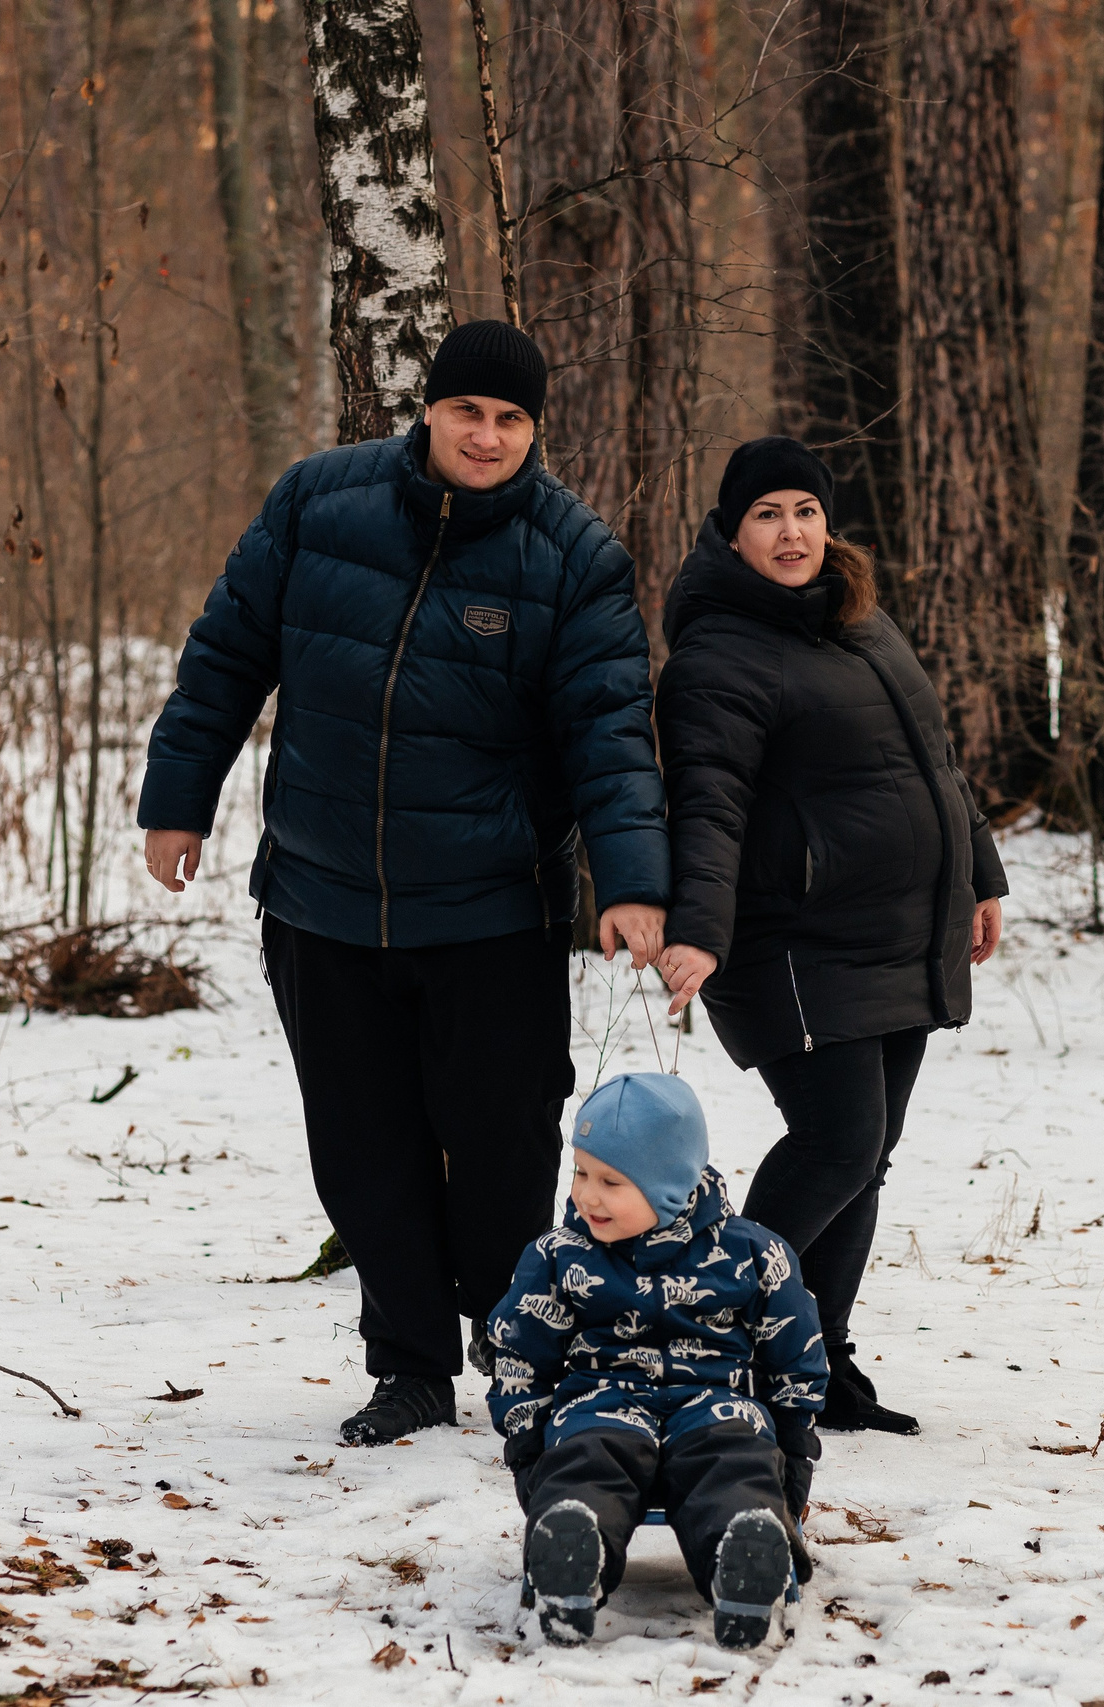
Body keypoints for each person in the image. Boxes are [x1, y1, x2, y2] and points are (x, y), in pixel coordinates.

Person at [137, 321, 669, 1447]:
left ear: (534, 431)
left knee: (503, 1149)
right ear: (426, 408)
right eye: (468, 411)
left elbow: (610, 731)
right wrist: (178, 794)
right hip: (322, 901)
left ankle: (510, 1333)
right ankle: (410, 1365)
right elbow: (227, 652)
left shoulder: (573, 556)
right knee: (363, 1149)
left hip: (488, 909)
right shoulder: (316, 504)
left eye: (511, 419)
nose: (486, 436)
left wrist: (629, 879)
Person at [651, 436, 1005, 1437]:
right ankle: (709, 1332)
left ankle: (814, 1361)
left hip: (896, 932)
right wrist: (701, 933)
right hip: (794, 945)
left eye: (805, 511)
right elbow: (706, 808)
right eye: (767, 514)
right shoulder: (717, 655)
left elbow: (933, 761)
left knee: (866, 1155)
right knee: (839, 1142)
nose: (792, 532)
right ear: (731, 531)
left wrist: (979, 875)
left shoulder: (861, 623)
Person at [486, 1073, 827, 1651]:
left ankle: (742, 1553)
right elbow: (520, 1350)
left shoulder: (751, 1253)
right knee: (589, 1458)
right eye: (581, 1172)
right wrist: (527, 1445)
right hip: (601, 1402)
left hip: (717, 1404)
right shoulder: (558, 1256)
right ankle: (572, 1544)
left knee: (733, 1461)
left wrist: (794, 1446)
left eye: (611, 1181)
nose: (587, 1195)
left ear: (669, 1184)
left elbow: (795, 1351)